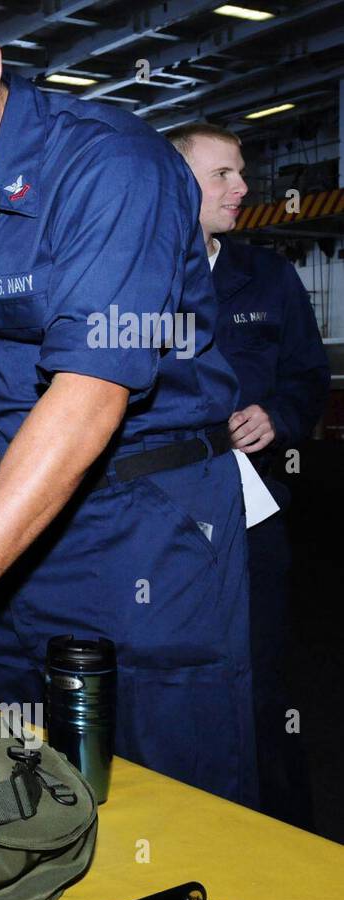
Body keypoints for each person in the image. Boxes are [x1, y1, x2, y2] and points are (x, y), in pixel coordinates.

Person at [0, 0, 258, 806]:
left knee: (173, 788)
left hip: (146, 524)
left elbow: (92, 392)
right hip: (11, 527)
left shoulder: (110, 166)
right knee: (10, 778)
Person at [169, 123, 330, 826]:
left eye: (241, 173)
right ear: (177, 186)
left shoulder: (268, 277)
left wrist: (279, 416)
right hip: (159, 523)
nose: (241, 189)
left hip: (254, 517)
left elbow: (307, 377)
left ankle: (285, 841)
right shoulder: (130, 276)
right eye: (222, 176)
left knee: (265, 689)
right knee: (172, 689)